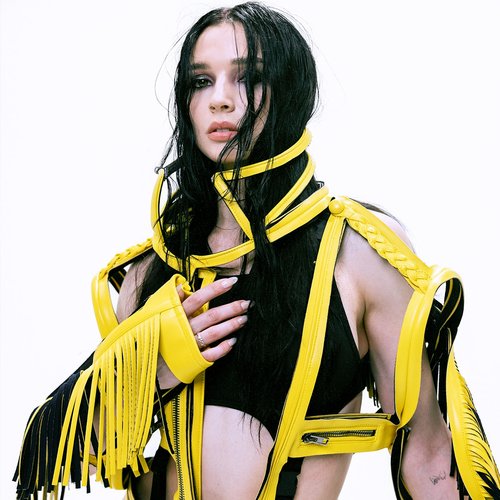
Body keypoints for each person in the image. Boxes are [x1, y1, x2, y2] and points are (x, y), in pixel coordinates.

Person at [13, 2, 500, 499]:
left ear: (289, 90)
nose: (220, 100)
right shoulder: (149, 272)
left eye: (248, 78)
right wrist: (150, 369)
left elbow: (429, 450)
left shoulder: (358, 254)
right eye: (201, 81)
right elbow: (75, 457)